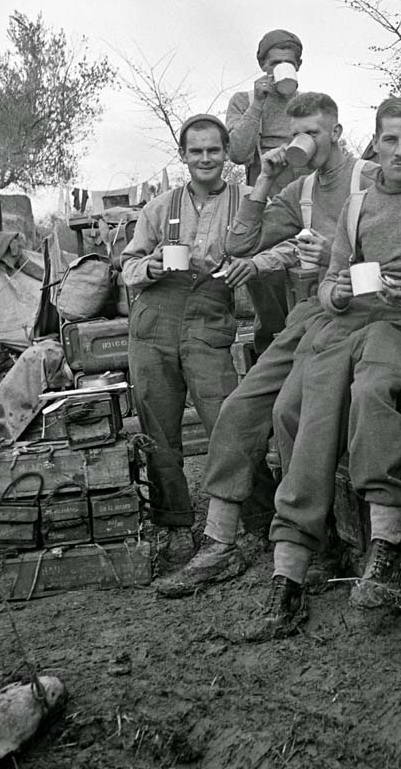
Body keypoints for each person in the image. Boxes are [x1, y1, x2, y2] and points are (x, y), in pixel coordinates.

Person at [243, 97, 401, 641]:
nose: (400, 151)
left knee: (373, 390)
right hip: (349, 324)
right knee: (297, 408)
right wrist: (334, 292)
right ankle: (291, 567)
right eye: (390, 141)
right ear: (374, 144)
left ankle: (384, 546)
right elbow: (331, 282)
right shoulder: (359, 205)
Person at [155, 92, 377, 598]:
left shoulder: (371, 177)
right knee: (239, 407)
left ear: (337, 133)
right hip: (310, 313)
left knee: (292, 414)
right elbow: (238, 246)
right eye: (295, 134)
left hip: (366, 314)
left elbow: (399, 251)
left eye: (314, 134)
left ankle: (321, 544)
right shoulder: (298, 190)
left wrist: (334, 260)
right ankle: (219, 543)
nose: (303, 143)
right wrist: (262, 182)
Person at [121, 115, 264, 572]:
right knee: (159, 429)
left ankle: (261, 521)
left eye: (214, 150)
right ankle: (175, 526)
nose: (205, 159)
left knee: (230, 418)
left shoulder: (248, 202)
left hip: (208, 315)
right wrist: (152, 267)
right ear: (183, 156)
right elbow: (126, 267)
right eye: (196, 151)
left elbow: (271, 247)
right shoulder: (160, 208)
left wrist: (252, 265)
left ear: (227, 155)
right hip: (155, 318)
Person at [226, 28, 308, 352]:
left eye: (289, 63)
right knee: (266, 280)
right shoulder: (245, 101)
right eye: (275, 63)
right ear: (263, 65)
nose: (281, 69)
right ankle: (271, 356)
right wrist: (258, 105)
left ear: (298, 66)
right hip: (265, 207)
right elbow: (238, 154)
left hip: (305, 206)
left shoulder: (307, 105)